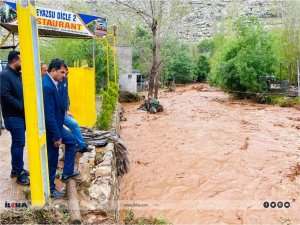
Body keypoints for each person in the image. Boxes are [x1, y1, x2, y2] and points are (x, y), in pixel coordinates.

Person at [42, 59, 79, 199]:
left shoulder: (55, 82)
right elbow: (49, 115)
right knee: (52, 159)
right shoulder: (47, 86)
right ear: (53, 71)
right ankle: (50, 189)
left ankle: (67, 172)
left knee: (71, 141)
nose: (64, 75)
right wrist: (57, 136)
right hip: (52, 129)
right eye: (62, 72)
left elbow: (63, 99)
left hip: (58, 125)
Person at [0, 51, 29, 185]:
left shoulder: (17, 75)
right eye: (21, 61)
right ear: (14, 61)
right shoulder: (5, 74)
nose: (22, 63)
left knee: (16, 143)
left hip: (18, 116)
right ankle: (19, 173)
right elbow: (4, 94)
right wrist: (20, 106)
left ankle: (15, 169)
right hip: (13, 116)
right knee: (19, 143)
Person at [58, 64, 93, 153]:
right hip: (56, 112)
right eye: (65, 71)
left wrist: (67, 110)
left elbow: (65, 96)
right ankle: (77, 145)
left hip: (63, 111)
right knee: (67, 134)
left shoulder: (64, 80)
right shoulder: (54, 82)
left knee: (74, 124)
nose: (66, 74)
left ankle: (81, 146)